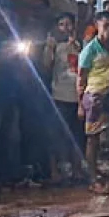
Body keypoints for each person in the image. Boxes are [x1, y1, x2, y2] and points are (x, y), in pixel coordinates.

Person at [78, 11, 109, 194]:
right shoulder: (89, 50)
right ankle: (93, 179)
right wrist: (80, 104)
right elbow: (81, 78)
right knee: (93, 139)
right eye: (106, 26)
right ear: (97, 26)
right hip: (93, 96)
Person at [43, 12, 86, 184]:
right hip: (59, 95)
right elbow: (46, 66)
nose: (66, 28)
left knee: (77, 136)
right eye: (62, 24)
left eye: (69, 24)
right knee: (56, 135)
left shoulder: (80, 46)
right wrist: (49, 47)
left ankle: (76, 170)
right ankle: (55, 171)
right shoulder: (54, 46)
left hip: (77, 97)